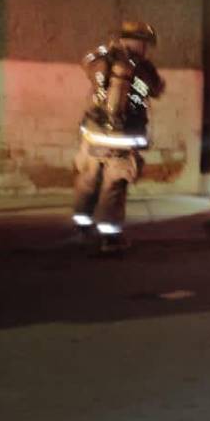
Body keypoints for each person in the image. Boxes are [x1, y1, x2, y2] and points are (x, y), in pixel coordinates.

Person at [72, 21, 165, 254]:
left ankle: (83, 226)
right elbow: (157, 89)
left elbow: (86, 63)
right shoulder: (142, 67)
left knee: (88, 181)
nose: (146, 49)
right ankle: (110, 238)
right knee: (114, 187)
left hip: (94, 135)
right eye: (145, 44)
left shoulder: (102, 58)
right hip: (122, 139)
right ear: (138, 42)